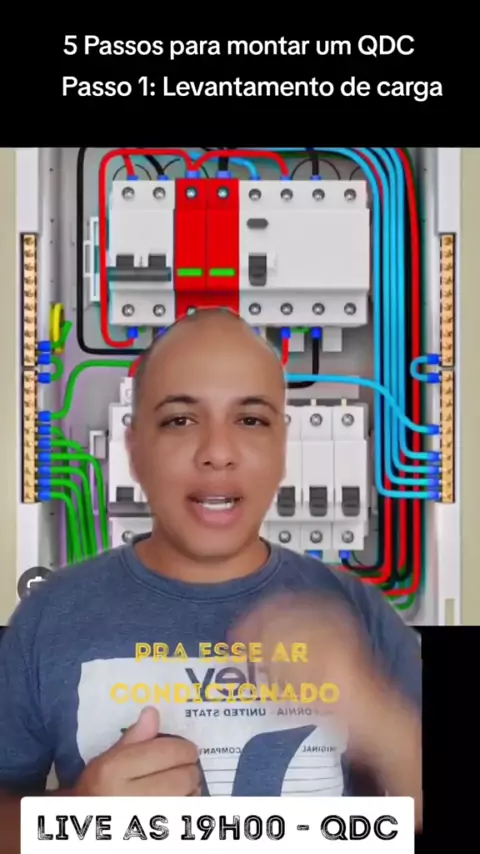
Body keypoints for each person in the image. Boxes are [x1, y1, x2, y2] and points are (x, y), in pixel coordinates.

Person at [0, 309, 422, 848]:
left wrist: (375, 715)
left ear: (283, 446)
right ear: (134, 448)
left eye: (251, 420)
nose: (217, 453)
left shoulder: (360, 613)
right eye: (180, 420)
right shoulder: (48, 617)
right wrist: (78, 815)